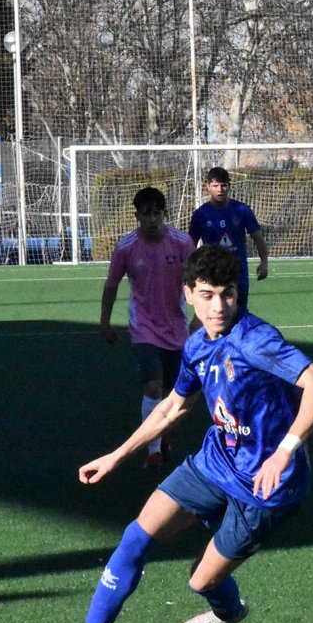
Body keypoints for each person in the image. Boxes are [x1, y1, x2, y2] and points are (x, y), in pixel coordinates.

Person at [34, 246, 313, 623]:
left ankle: (228, 611)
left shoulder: (256, 340)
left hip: (268, 485)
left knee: (201, 581)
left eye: (228, 295)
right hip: (215, 463)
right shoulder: (196, 345)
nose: (219, 306)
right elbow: (173, 407)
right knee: (135, 538)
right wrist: (117, 456)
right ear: (189, 295)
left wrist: (285, 449)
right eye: (208, 294)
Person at [100, 187, 196, 469]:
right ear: (137, 215)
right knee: (153, 387)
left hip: (177, 329)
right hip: (143, 329)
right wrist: (104, 322)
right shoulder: (126, 247)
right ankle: (153, 451)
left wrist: (200, 319)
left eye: (157, 213)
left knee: (172, 395)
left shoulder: (182, 243)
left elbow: (196, 281)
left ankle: (161, 436)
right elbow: (111, 284)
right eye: (147, 214)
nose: (152, 219)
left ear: (164, 214)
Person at [189, 166, 270, 309]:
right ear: (208, 186)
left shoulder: (242, 210)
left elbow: (258, 237)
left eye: (223, 185)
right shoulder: (200, 214)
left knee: (239, 313)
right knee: (216, 315)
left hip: (239, 273)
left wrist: (264, 262)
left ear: (229, 186)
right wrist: (191, 272)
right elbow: (190, 245)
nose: (219, 189)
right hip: (211, 273)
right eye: (215, 185)